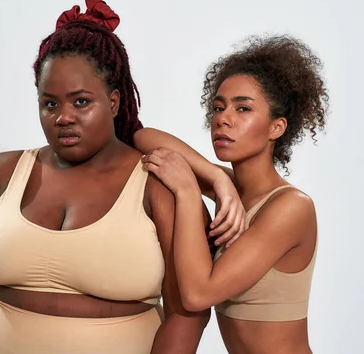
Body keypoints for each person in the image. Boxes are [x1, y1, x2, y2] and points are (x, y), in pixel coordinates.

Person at [0, 0, 232, 354]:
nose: (63, 117)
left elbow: (188, 312)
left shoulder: (157, 184)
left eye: (81, 101)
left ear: (114, 102)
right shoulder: (6, 171)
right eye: (50, 103)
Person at [135, 35, 329, 354]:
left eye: (243, 108)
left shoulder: (291, 207)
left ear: (276, 128)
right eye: (218, 107)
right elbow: (142, 136)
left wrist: (187, 190)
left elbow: (198, 294)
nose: (223, 118)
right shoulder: (232, 190)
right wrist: (215, 177)